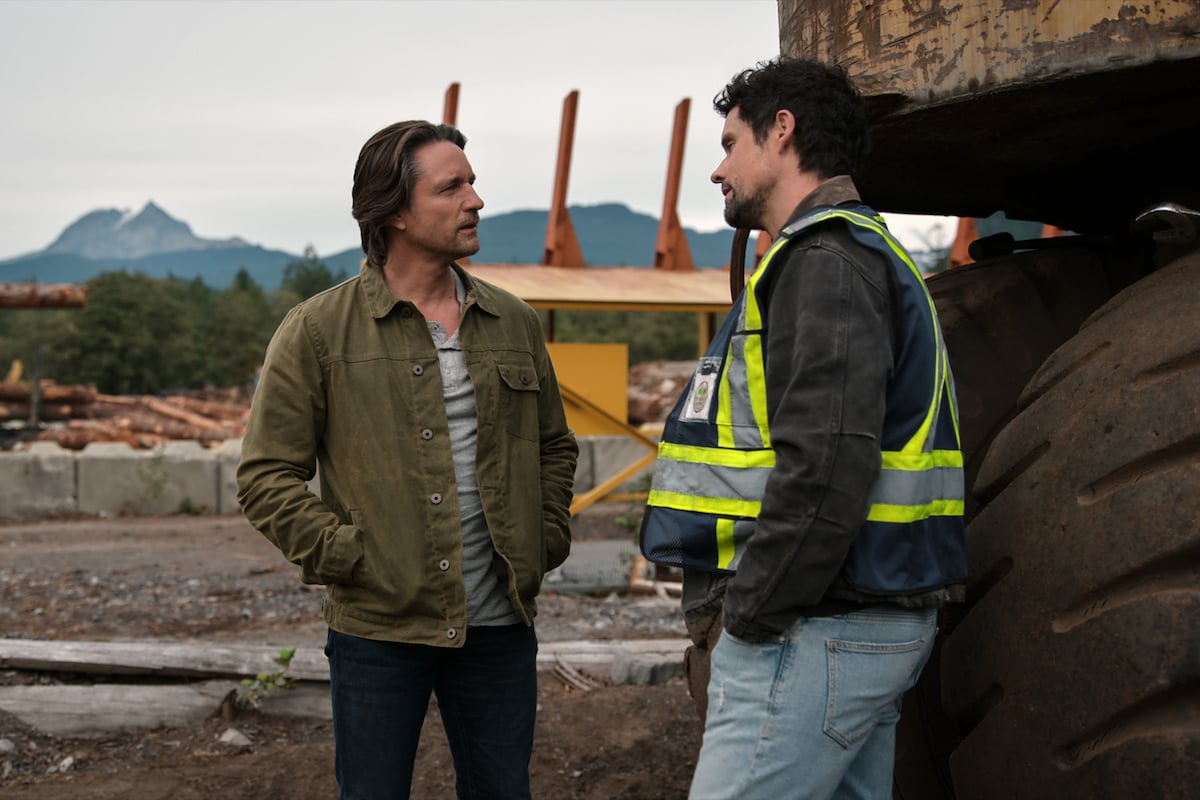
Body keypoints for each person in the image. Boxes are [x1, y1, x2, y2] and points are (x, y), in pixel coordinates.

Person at [639, 58, 967, 799]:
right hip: (844, 618)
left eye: (729, 143)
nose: (719, 170)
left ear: (781, 131)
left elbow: (824, 467)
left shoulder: (825, 262)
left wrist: (751, 618)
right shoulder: (844, 253)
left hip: (814, 627)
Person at [236, 120, 578, 800]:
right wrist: (351, 558)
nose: (474, 200)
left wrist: (545, 537)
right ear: (393, 210)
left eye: (472, 182)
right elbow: (266, 475)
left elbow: (552, 446)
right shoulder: (317, 331)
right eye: (451, 187)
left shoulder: (512, 322)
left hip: (500, 629)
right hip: (379, 630)